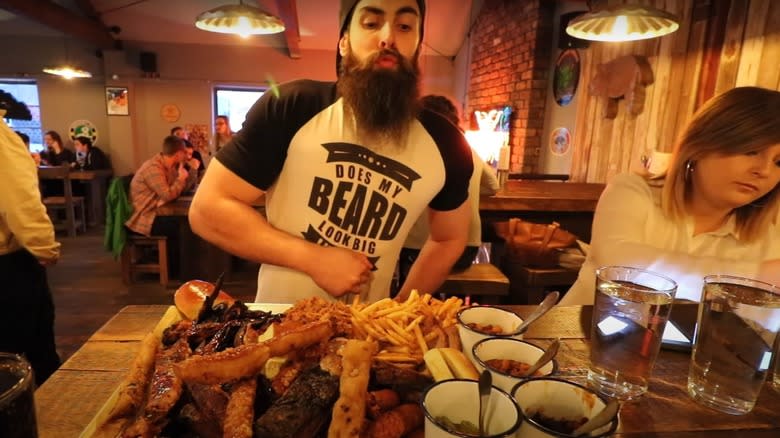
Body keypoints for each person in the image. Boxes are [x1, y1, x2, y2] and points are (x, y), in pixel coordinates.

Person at [189, 0, 473, 304]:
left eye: (405, 26)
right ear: (344, 42)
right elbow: (207, 210)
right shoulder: (293, 106)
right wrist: (313, 258)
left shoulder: (446, 143)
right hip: (275, 326)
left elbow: (450, 237)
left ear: (416, 45)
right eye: (371, 23)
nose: (388, 37)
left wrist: (402, 306)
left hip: (367, 337)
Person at [561, 86, 780, 305]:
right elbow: (621, 268)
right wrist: (756, 277)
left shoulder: (767, 236)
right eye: (751, 151)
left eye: (778, 162)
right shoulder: (632, 190)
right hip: (569, 335)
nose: (764, 171)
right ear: (701, 145)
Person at [398, 95, 499, 289]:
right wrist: (467, 189)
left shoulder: (414, 150)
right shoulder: (465, 147)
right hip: (468, 252)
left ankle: (406, 302)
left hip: (416, 251)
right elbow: (493, 186)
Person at [0, 114, 62, 385]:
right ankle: (54, 420)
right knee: (34, 356)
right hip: (8, 264)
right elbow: (20, 202)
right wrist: (45, 248)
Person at [125, 136, 198, 275]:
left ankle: (184, 267)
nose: (188, 156)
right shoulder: (153, 168)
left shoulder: (169, 167)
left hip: (156, 212)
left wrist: (191, 172)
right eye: (185, 153)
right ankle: (175, 271)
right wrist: (181, 179)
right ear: (178, 154)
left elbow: (181, 190)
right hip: (143, 218)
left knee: (186, 224)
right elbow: (168, 195)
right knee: (180, 227)